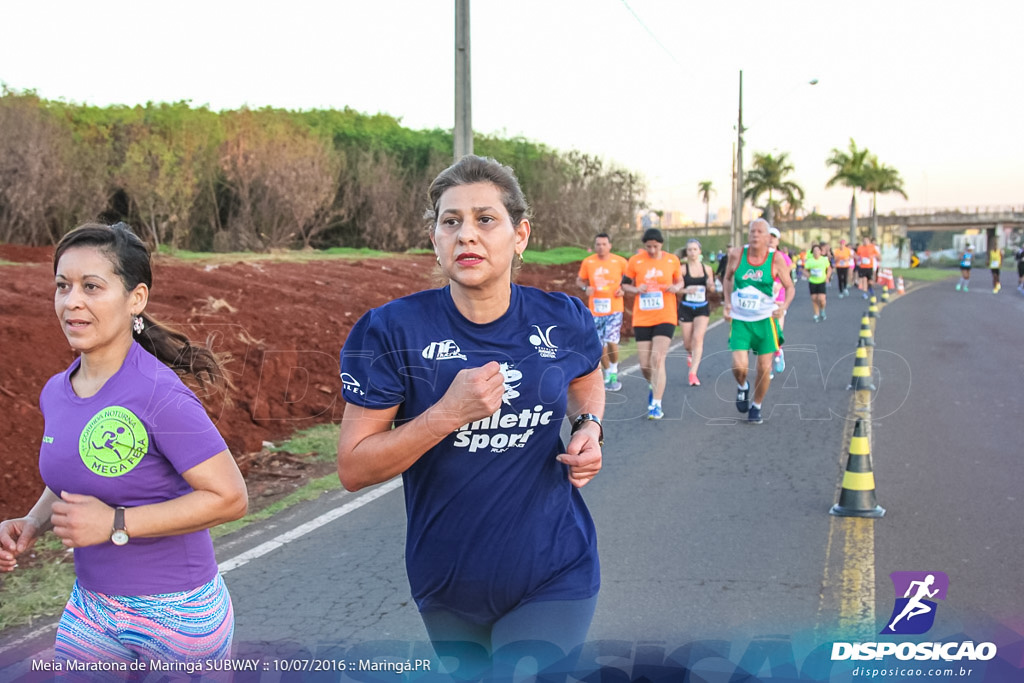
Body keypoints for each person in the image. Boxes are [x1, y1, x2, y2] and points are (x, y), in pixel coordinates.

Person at [336, 156, 604, 678]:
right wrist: (444, 415)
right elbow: (352, 466)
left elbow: (585, 378)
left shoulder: (563, 319)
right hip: (446, 582)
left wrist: (588, 427)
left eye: (485, 219)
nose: (466, 236)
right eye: (450, 221)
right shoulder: (392, 332)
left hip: (554, 569)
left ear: (519, 234)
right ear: (435, 238)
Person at [0, 222, 247, 668]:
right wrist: (33, 523)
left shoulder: (160, 393)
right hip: (93, 609)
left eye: (92, 286)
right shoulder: (56, 391)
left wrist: (116, 522)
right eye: (63, 286)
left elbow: (230, 498)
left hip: (178, 614)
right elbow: (76, 471)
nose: (72, 300)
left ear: (136, 299)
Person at [722, 218, 795, 424]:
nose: (755, 235)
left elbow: (790, 287)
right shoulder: (737, 254)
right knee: (739, 366)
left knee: (764, 367)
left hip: (765, 320)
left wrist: (784, 307)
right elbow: (727, 278)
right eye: (752, 231)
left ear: (768, 237)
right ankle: (743, 386)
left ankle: (757, 406)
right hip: (740, 319)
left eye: (760, 232)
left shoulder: (776, 259)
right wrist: (727, 302)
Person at [623, 228, 683, 420]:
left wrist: (676, 287)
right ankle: (653, 383)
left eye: (655, 246)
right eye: (648, 246)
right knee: (645, 365)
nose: (652, 250)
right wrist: (635, 288)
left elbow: (680, 281)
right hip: (642, 317)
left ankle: (656, 404)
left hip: (665, 315)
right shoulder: (635, 261)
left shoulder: (672, 260)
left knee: (657, 360)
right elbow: (624, 285)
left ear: (661, 245)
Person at [577, 233, 629, 391]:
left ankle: (613, 369)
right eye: (598, 244)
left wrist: (623, 290)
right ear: (595, 246)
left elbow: (630, 280)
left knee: (612, 340)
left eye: (604, 244)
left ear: (610, 245)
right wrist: (586, 288)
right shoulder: (589, 262)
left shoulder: (620, 261)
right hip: (596, 310)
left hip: (614, 308)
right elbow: (580, 280)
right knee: (599, 346)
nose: (601, 247)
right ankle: (607, 372)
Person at [677, 238, 715, 386]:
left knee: (698, 338)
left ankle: (693, 373)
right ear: (686, 252)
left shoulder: (707, 269)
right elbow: (676, 289)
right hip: (686, 307)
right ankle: (690, 353)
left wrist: (710, 286)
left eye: (695, 249)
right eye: (689, 250)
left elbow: (711, 288)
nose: (692, 252)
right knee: (687, 343)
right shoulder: (682, 269)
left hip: (702, 307)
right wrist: (687, 290)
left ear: (699, 251)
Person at [767, 226, 792, 375]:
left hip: (778, 300)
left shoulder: (783, 257)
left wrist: (779, 285)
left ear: (778, 240)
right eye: (768, 236)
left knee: (776, 332)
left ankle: (778, 352)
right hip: (763, 301)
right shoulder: (759, 256)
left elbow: (787, 278)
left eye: (773, 237)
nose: (770, 239)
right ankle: (767, 368)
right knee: (764, 335)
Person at [805, 244, 833, 321]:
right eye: (814, 251)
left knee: (821, 299)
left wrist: (827, 277)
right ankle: (816, 314)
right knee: (814, 299)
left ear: (820, 252)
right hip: (812, 281)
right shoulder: (810, 261)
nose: (816, 252)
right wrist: (807, 275)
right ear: (812, 252)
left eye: (817, 250)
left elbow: (829, 269)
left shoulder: (824, 260)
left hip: (821, 281)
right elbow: (805, 270)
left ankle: (823, 310)